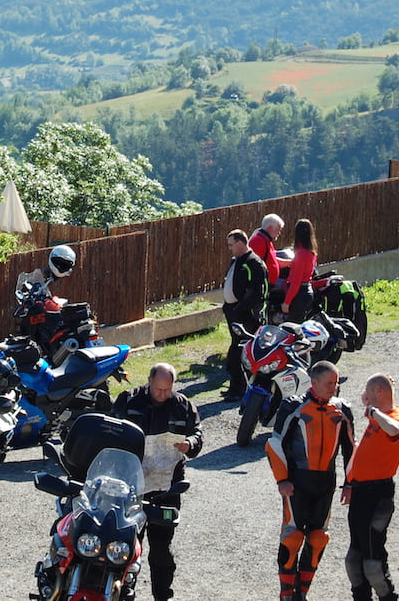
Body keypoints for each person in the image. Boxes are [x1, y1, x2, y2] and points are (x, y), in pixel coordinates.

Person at [112, 363, 203, 601]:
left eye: (167, 390)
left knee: (161, 549)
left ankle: (163, 595)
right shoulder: (129, 400)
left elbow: (198, 434)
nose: (162, 395)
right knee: (125, 545)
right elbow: (111, 429)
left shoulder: (183, 406)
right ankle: (120, 593)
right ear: (149, 382)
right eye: (158, 389)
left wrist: (190, 445)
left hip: (166, 488)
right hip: (131, 486)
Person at [267, 360, 355, 601]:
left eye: (336, 383)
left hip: (325, 485)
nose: (334, 387)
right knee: (292, 538)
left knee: (318, 538)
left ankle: (302, 592)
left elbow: (351, 449)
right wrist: (282, 480)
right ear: (313, 383)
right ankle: (286, 594)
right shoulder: (293, 406)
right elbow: (275, 445)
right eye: (329, 383)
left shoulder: (342, 409)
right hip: (297, 485)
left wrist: (350, 483)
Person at [342, 373, 399, 601]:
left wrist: (373, 411)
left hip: (378, 495)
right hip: (361, 491)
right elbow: (363, 451)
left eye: (369, 392)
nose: (365, 398)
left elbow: (394, 430)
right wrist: (349, 483)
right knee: (354, 559)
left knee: (373, 561)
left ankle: (389, 597)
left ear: (379, 392)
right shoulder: (377, 415)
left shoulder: (393, 417)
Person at [222, 229, 268, 400]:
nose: (229, 248)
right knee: (235, 349)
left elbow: (257, 292)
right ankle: (235, 387)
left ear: (240, 243)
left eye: (231, 245)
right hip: (233, 311)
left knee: (241, 351)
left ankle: (240, 389)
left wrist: (239, 308)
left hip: (245, 315)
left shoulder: (254, 262)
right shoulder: (237, 260)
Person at [282, 218, 318, 324]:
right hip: (307, 291)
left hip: (299, 294)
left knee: (293, 325)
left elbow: (296, 281)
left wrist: (286, 302)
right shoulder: (311, 252)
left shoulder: (300, 254)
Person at [249, 213, 286, 288]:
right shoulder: (258, 241)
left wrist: (291, 262)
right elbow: (255, 266)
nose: (279, 233)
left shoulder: (266, 240)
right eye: (278, 230)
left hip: (269, 283)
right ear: (269, 228)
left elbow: (272, 260)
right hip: (263, 285)